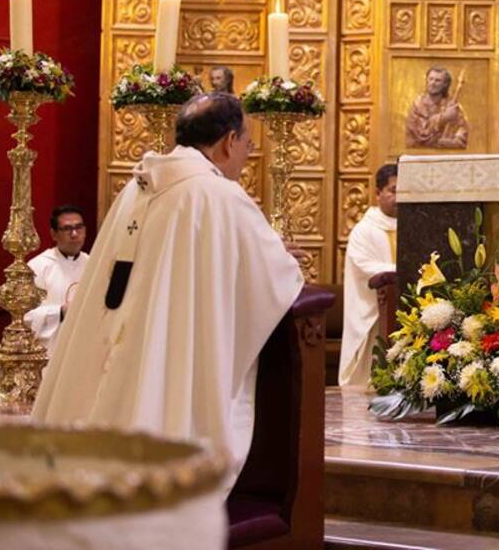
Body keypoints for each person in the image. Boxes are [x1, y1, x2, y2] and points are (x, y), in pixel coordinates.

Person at [33, 93, 304, 490]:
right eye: (247, 143)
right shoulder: (218, 195)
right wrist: (283, 258)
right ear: (229, 141)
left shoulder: (139, 186)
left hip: (121, 334)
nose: (246, 154)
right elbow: (272, 279)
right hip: (168, 345)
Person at [338, 163, 398, 387]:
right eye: (393, 191)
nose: (398, 197)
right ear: (377, 193)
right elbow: (364, 266)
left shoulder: (413, 224)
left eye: (402, 191)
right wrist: (398, 270)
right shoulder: (364, 230)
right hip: (372, 310)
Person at [24, 205, 90, 358]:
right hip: (52, 350)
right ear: (54, 234)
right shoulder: (37, 267)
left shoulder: (93, 265)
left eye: (79, 227)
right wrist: (59, 312)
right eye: (67, 229)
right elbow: (25, 317)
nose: (74, 234)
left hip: (85, 347)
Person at [405, 66, 469, 149]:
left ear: (445, 84)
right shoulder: (418, 105)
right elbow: (419, 133)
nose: (433, 83)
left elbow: (462, 131)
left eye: (437, 80)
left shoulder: (452, 106)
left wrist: (452, 142)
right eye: (430, 79)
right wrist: (444, 117)